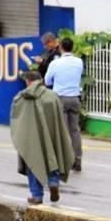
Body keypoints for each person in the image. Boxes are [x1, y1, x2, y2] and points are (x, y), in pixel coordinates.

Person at [10, 71, 75, 204]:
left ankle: (37, 195)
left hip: (30, 137)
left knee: (32, 160)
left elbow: (15, 118)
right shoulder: (52, 96)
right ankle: (53, 182)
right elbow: (59, 120)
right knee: (52, 154)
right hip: (51, 134)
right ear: (41, 80)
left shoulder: (20, 98)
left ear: (28, 81)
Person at [45, 37, 84, 171]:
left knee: (62, 131)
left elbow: (47, 81)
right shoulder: (79, 62)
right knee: (75, 130)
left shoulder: (56, 64)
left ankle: (64, 160)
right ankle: (77, 159)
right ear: (72, 47)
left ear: (61, 47)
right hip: (75, 98)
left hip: (60, 98)